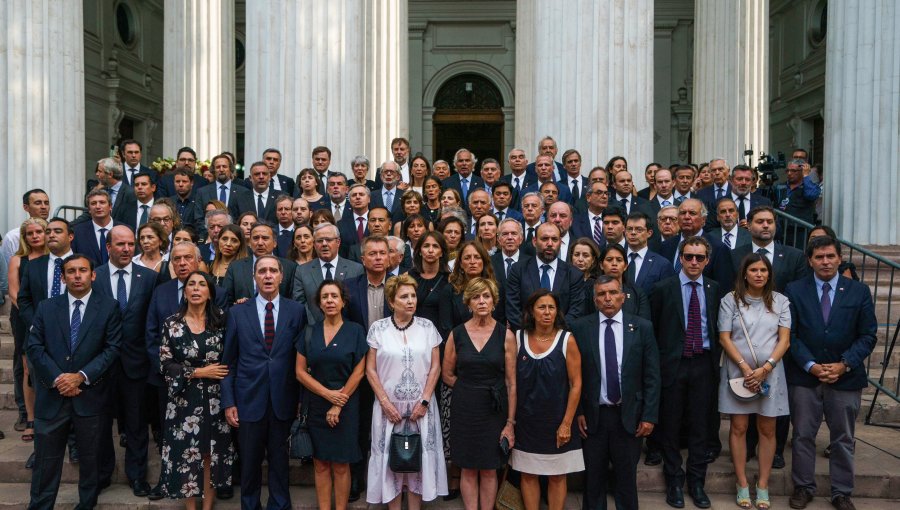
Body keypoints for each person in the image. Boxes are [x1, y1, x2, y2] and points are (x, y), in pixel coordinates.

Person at [784, 236, 877, 510]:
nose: (825, 261)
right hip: (804, 376)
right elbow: (790, 334)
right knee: (802, 435)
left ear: (839, 258)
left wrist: (844, 363)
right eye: (819, 257)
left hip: (845, 378)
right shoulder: (794, 289)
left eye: (830, 256)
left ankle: (842, 492)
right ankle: (803, 487)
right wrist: (810, 365)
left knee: (844, 438)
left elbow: (868, 335)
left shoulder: (858, 291)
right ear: (810, 260)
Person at [26, 254, 122, 509]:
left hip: (89, 397)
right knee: (46, 462)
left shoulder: (108, 307)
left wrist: (80, 376)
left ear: (93, 275)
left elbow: (112, 348)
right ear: (63, 277)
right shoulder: (46, 307)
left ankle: (86, 505)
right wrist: (59, 378)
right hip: (52, 397)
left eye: (82, 270)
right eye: (71, 271)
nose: (77, 275)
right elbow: (34, 347)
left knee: (91, 461)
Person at [222, 256, 307, 510]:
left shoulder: (297, 311)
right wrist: (229, 402)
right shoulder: (237, 313)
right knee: (249, 462)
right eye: (262, 271)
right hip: (248, 400)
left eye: (273, 271)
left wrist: (301, 400)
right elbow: (229, 362)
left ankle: (280, 505)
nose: (268, 275)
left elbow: (301, 358)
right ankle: (250, 506)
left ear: (281, 276)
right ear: (254, 277)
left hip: (283, 399)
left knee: (280, 461)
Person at [573, 276, 660, 510]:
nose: (607, 298)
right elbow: (573, 375)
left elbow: (652, 376)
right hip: (593, 417)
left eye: (612, 293)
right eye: (601, 294)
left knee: (626, 480)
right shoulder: (581, 328)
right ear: (594, 300)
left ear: (623, 297)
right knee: (593, 480)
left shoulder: (642, 327)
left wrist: (649, 415)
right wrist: (578, 411)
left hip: (629, 416)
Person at [649, 237, 721, 509]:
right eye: (689, 256)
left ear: (707, 260)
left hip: (703, 364)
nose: (693, 262)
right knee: (670, 426)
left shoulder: (714, 289)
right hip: (672, 365)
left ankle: (697, 482)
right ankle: (674, 482)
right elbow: (654, 331)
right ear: (680, 257)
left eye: (699, 257)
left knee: (701, 426)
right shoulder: (662, 289)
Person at [365, 274, 448, 507]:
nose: (411, 300)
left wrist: (424, 402)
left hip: (421, 409)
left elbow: (435, 368)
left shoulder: (427, 327)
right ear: (392, 302)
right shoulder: (378, 329)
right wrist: (384, 402)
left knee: (417, 462)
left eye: (413, 295)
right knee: (390, 461)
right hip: (387, 410)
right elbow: (370, 370)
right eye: (404, 296)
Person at [718, 254, 791, 510]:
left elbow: (784, 340)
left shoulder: (781, 301)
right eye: (753, 270)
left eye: (763, 270)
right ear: (745, 273)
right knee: (738, 427)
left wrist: (766, 367)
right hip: (739, 372)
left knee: (768, 429)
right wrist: (747, 368)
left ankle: (762, 484)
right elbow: (725, 338)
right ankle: (741, 483)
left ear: (769, 274)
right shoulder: (731, 300)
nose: (759, 274)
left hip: (770, 374)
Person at [158, 271, 234, 507]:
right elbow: (165, 363)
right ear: (185, 291)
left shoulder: (223, 320)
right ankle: (191, 507)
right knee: (187, 455)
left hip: (216, 399)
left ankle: (208, 506)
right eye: (191, 284)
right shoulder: (172, 323)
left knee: (210, 455)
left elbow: (232, 355)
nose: (196, 288)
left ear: (210, 292)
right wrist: (198, 372)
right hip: (183, 400)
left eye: (202, 284)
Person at [94, 226, 159, 496]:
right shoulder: (94, 276)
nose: (126, 249)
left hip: (136, 364)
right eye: (120, 244)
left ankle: (137, 476)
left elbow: (151, 320)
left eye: (131, 244)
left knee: (136, 425)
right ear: (108, 247)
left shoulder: (148, 278)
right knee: (100, 425)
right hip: (101, 365)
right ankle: (102, 474)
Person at [442, 278, 516, 510]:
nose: (481, 301)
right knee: (467, 466)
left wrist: (510, 423)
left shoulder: (506, 335)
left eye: (486, 296)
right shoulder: (457, 334)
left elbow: (511, 383)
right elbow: (446, 374)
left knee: (489, 467)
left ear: (494, 301)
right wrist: (469, 389)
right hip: (465, 408)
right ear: (468, 303)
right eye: (476, 297)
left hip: (494, 410)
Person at [296, 280, 369, 510]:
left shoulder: (356, 330)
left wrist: (338, 402)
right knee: (320, 464)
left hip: (346, 403)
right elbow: (299, 372)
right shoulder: (309, 332)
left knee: (341, 465)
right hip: (316, 402)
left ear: (343, 301)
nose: (329, 300)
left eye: (334, 296)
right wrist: (328, 395)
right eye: (325, 297)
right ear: (318, 303)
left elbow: (360, 371)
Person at [512, 289, 584, 510]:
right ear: (532, 311)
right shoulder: (517, 337)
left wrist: (566, 423)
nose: (546, 312)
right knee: (528, 475)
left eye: (551, 307)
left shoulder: (567, 339)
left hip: (557, 422)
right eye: (541, 307)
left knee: (557, 476)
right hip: (526, 422)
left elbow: (576, 384)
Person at [7, 218, 49, 448]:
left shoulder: (54, 259)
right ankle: (31, 418)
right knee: (27, 368)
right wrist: (34, 322)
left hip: (53, 318)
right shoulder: (18, 260)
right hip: (26, 318)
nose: (35, 236)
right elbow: (15, 294)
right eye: (30, 233)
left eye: (39, 231)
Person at [506, 222, 585, 331]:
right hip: (526, 336)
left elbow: (576, 311)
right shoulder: (518, 270)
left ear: (560, 242)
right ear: (534, 241)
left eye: (554, 239)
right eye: (544, 239)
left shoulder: (574, 274)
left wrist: (553, 334)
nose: (550, 243)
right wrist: (533, 333)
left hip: (561, 338)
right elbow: (513, 309)